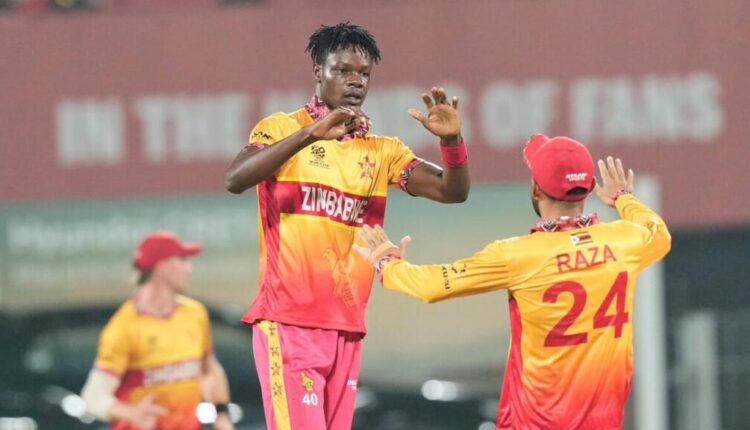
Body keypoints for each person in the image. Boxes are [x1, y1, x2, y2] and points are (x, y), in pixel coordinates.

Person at [223, 22, 470, 429]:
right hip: (289, 323)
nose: (356, 81)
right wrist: (311, 134)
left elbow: (452, 191)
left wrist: (452, 143)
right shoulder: (281, 128)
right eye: (343, 70)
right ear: (318, 71)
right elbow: (235, 179)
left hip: (347, 328)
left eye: (364, 74)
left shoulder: (383, 150)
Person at [353, 135, 672, 430]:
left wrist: (387, 264)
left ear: (535, 189)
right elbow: (659, 233)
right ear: (588, 188)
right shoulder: (626, 241)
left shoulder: (518, 255)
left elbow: (431, 286)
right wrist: (623, 198)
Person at [80, 231, 234, 430]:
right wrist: (129, 413)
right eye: (183, 260)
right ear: (162, 266)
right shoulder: (125, 326)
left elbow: (209, 370)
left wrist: (222, 415)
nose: (189, 268)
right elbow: (92, 397)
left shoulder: (194, 314)